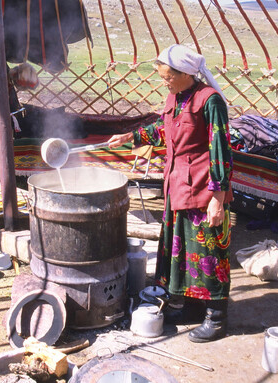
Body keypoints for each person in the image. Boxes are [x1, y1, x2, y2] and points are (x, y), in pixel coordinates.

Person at [108, 44, 233, 343]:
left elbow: (221, 149)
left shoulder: (210, 101)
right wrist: (132, 135)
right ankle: (191, 307)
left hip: (204, 189)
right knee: (183, 254)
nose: (164, 81)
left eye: (167, 77)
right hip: (177, 187)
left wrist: (218, 198)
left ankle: (216, 318)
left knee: (208, 253)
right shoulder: (175, 96)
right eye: (162, 76)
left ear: (186, 74)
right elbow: (165, 130)